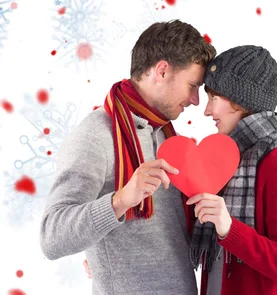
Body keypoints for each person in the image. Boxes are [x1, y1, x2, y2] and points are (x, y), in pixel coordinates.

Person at [39, 19, 216, 295]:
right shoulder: (95, 135)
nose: (195, 99)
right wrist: (120, 200)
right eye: (192, 85)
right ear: (162, 70)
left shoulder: (165, 135)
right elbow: (52, 237)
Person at [185, 45, 277, 295]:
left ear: (240, 100)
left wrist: (229, 228)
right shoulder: (223, 156)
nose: (206, 110)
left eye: (213, 98)